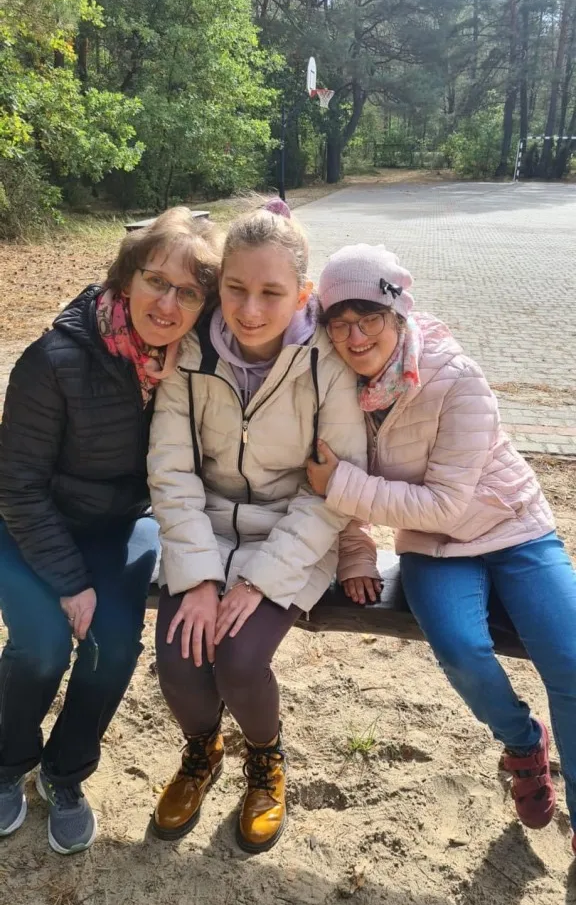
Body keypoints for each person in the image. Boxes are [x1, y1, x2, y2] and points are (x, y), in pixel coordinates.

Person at [306, 242, 576, 855]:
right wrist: (355, 552)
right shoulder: (334, 385)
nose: (355, 337)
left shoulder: (456, 376)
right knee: (459, 647)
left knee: (569, 662)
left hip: (513, 526)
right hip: (432, 545)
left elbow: (438, 502)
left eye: (369, 318)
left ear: (398, 313)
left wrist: (340, 484)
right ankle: (522, 742)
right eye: (340, 323)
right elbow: (333, 480)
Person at [0, 208, 222, 854]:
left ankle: (66, 774)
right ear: (128, 278)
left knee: (114, 646)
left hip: (122, 523)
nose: (168, 304)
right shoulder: (54, 360)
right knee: (42, 645)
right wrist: (71, 582)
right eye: (157, 281)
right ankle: (8, 762)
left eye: (189, 292)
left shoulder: (190, 365)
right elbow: (17, 486)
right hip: (29, 521)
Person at [148, 200, 367, 853]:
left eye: (271, 293)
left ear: (301, 294)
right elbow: (171, 470)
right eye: (236, 289)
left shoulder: (325, 364)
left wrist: (258, 581)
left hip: (291, 531)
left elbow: (331, 492)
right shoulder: (191, 355)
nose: (249, 310)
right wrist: (198, 577)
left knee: (240, 660)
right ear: (219, 286)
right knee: (179, 660)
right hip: (207, 525)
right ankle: (202, 750)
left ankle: (266, 758)